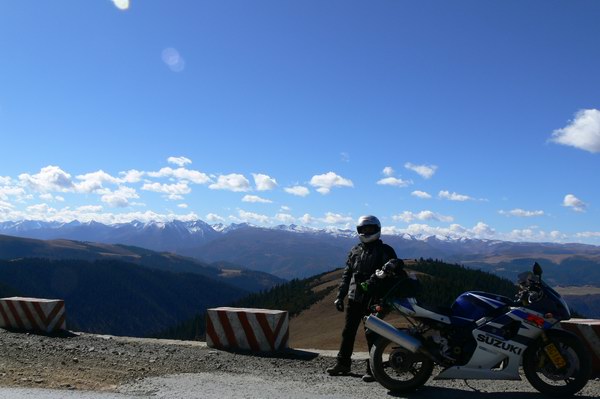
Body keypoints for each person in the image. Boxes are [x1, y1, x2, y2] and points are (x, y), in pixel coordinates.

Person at [326, 215, 398, 382]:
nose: (366, 232)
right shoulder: (355, 250)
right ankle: (343, 364)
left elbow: (393, 269)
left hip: (374, 299)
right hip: (354, 297)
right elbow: (347, 274)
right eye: (363, 229)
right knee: (348, 331)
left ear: (377, 229)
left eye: (370, 229)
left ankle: (373, 369)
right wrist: (340, 296)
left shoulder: (385, 250)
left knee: (372, 334)